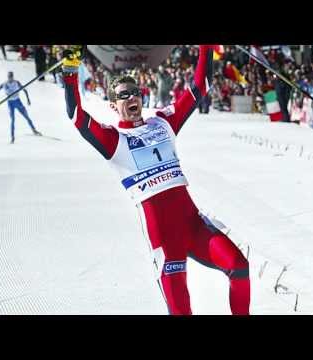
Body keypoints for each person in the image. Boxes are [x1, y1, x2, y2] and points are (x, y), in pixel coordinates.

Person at [61, 45, 250, 315]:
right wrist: (70, 72)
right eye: (123, 96)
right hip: (164, 238)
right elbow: (78, 118)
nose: (131, 97)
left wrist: (206, 49)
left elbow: (199, 87)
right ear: (113, 105)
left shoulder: (162, 122)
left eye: (134, 92)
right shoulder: (115, 141)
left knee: (239, 266)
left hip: (193, 225)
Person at [0, 71, 42, 144]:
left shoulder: (16, 82)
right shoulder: (4, 84)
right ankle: (12, 137)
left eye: (11, 77)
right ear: (7, 77)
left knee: (26, 116)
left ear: (13, 77)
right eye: (9, 77)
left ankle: (34, 129)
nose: (10, 78)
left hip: (18, 102)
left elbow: (24, 90)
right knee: (12, 120)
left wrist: (28, 99)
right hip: (10, 103)